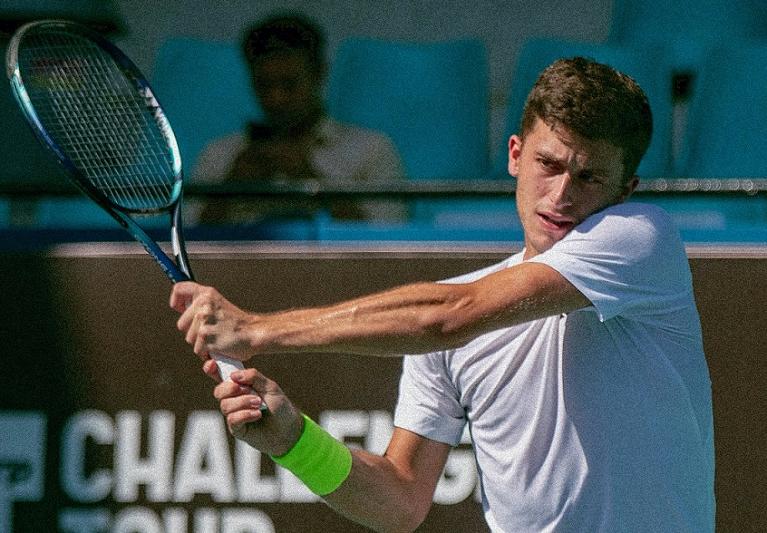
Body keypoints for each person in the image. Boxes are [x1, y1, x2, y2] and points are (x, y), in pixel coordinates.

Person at [170, 57, 715, 532]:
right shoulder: (454, 318)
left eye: (590, 177)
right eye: (548, 164)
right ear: (515, 155)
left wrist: (258, 330)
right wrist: (293, 440)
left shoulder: (643, 238)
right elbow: (399, 501)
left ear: (625, 192)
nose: (561, 194)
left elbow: (450, 317)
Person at [193, 13, 406, 225]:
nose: (276, 99)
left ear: (319, 74)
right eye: (264, 85)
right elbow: (183, 243)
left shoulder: (371, 151)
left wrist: (312, 182)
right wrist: (229, 190)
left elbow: (392, 243)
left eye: (289, 84)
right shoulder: (219, 157)